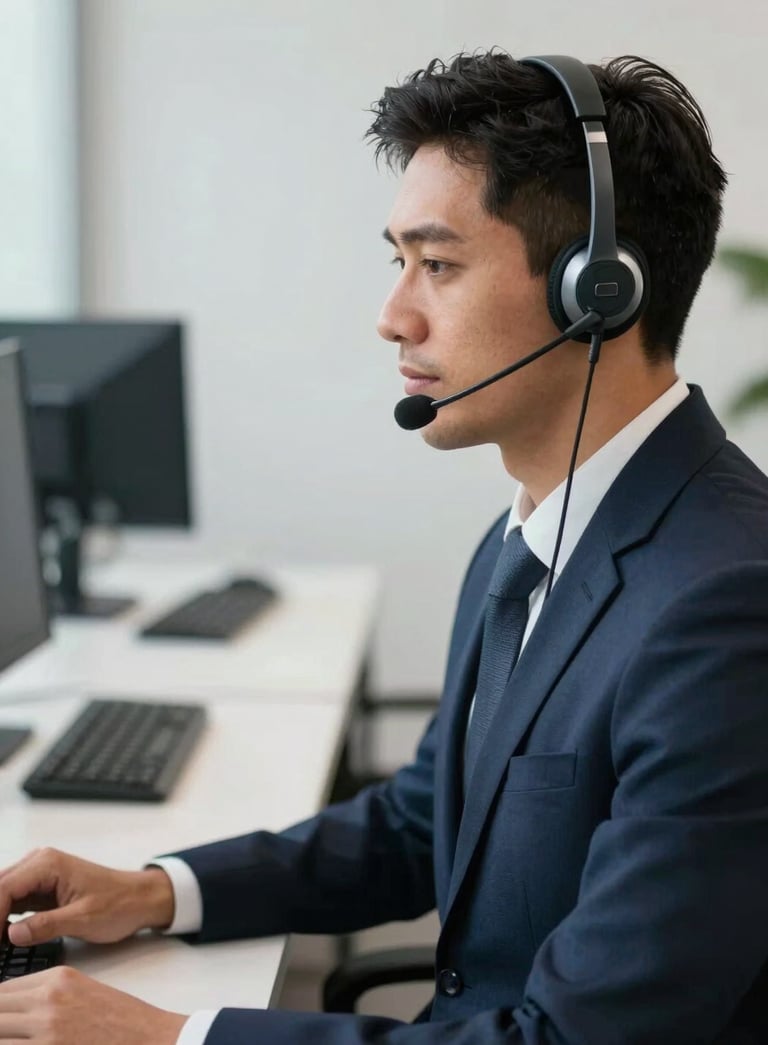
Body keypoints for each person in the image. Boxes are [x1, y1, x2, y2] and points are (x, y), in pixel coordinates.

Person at [1, 49, 768, 1045]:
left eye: (437, 264)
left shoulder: (725, 607)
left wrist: (172, 1036)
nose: (391, 314)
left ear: (598, 292)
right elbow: (429, 819)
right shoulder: (534, 536)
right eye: (396, 260)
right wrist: (156, 892)